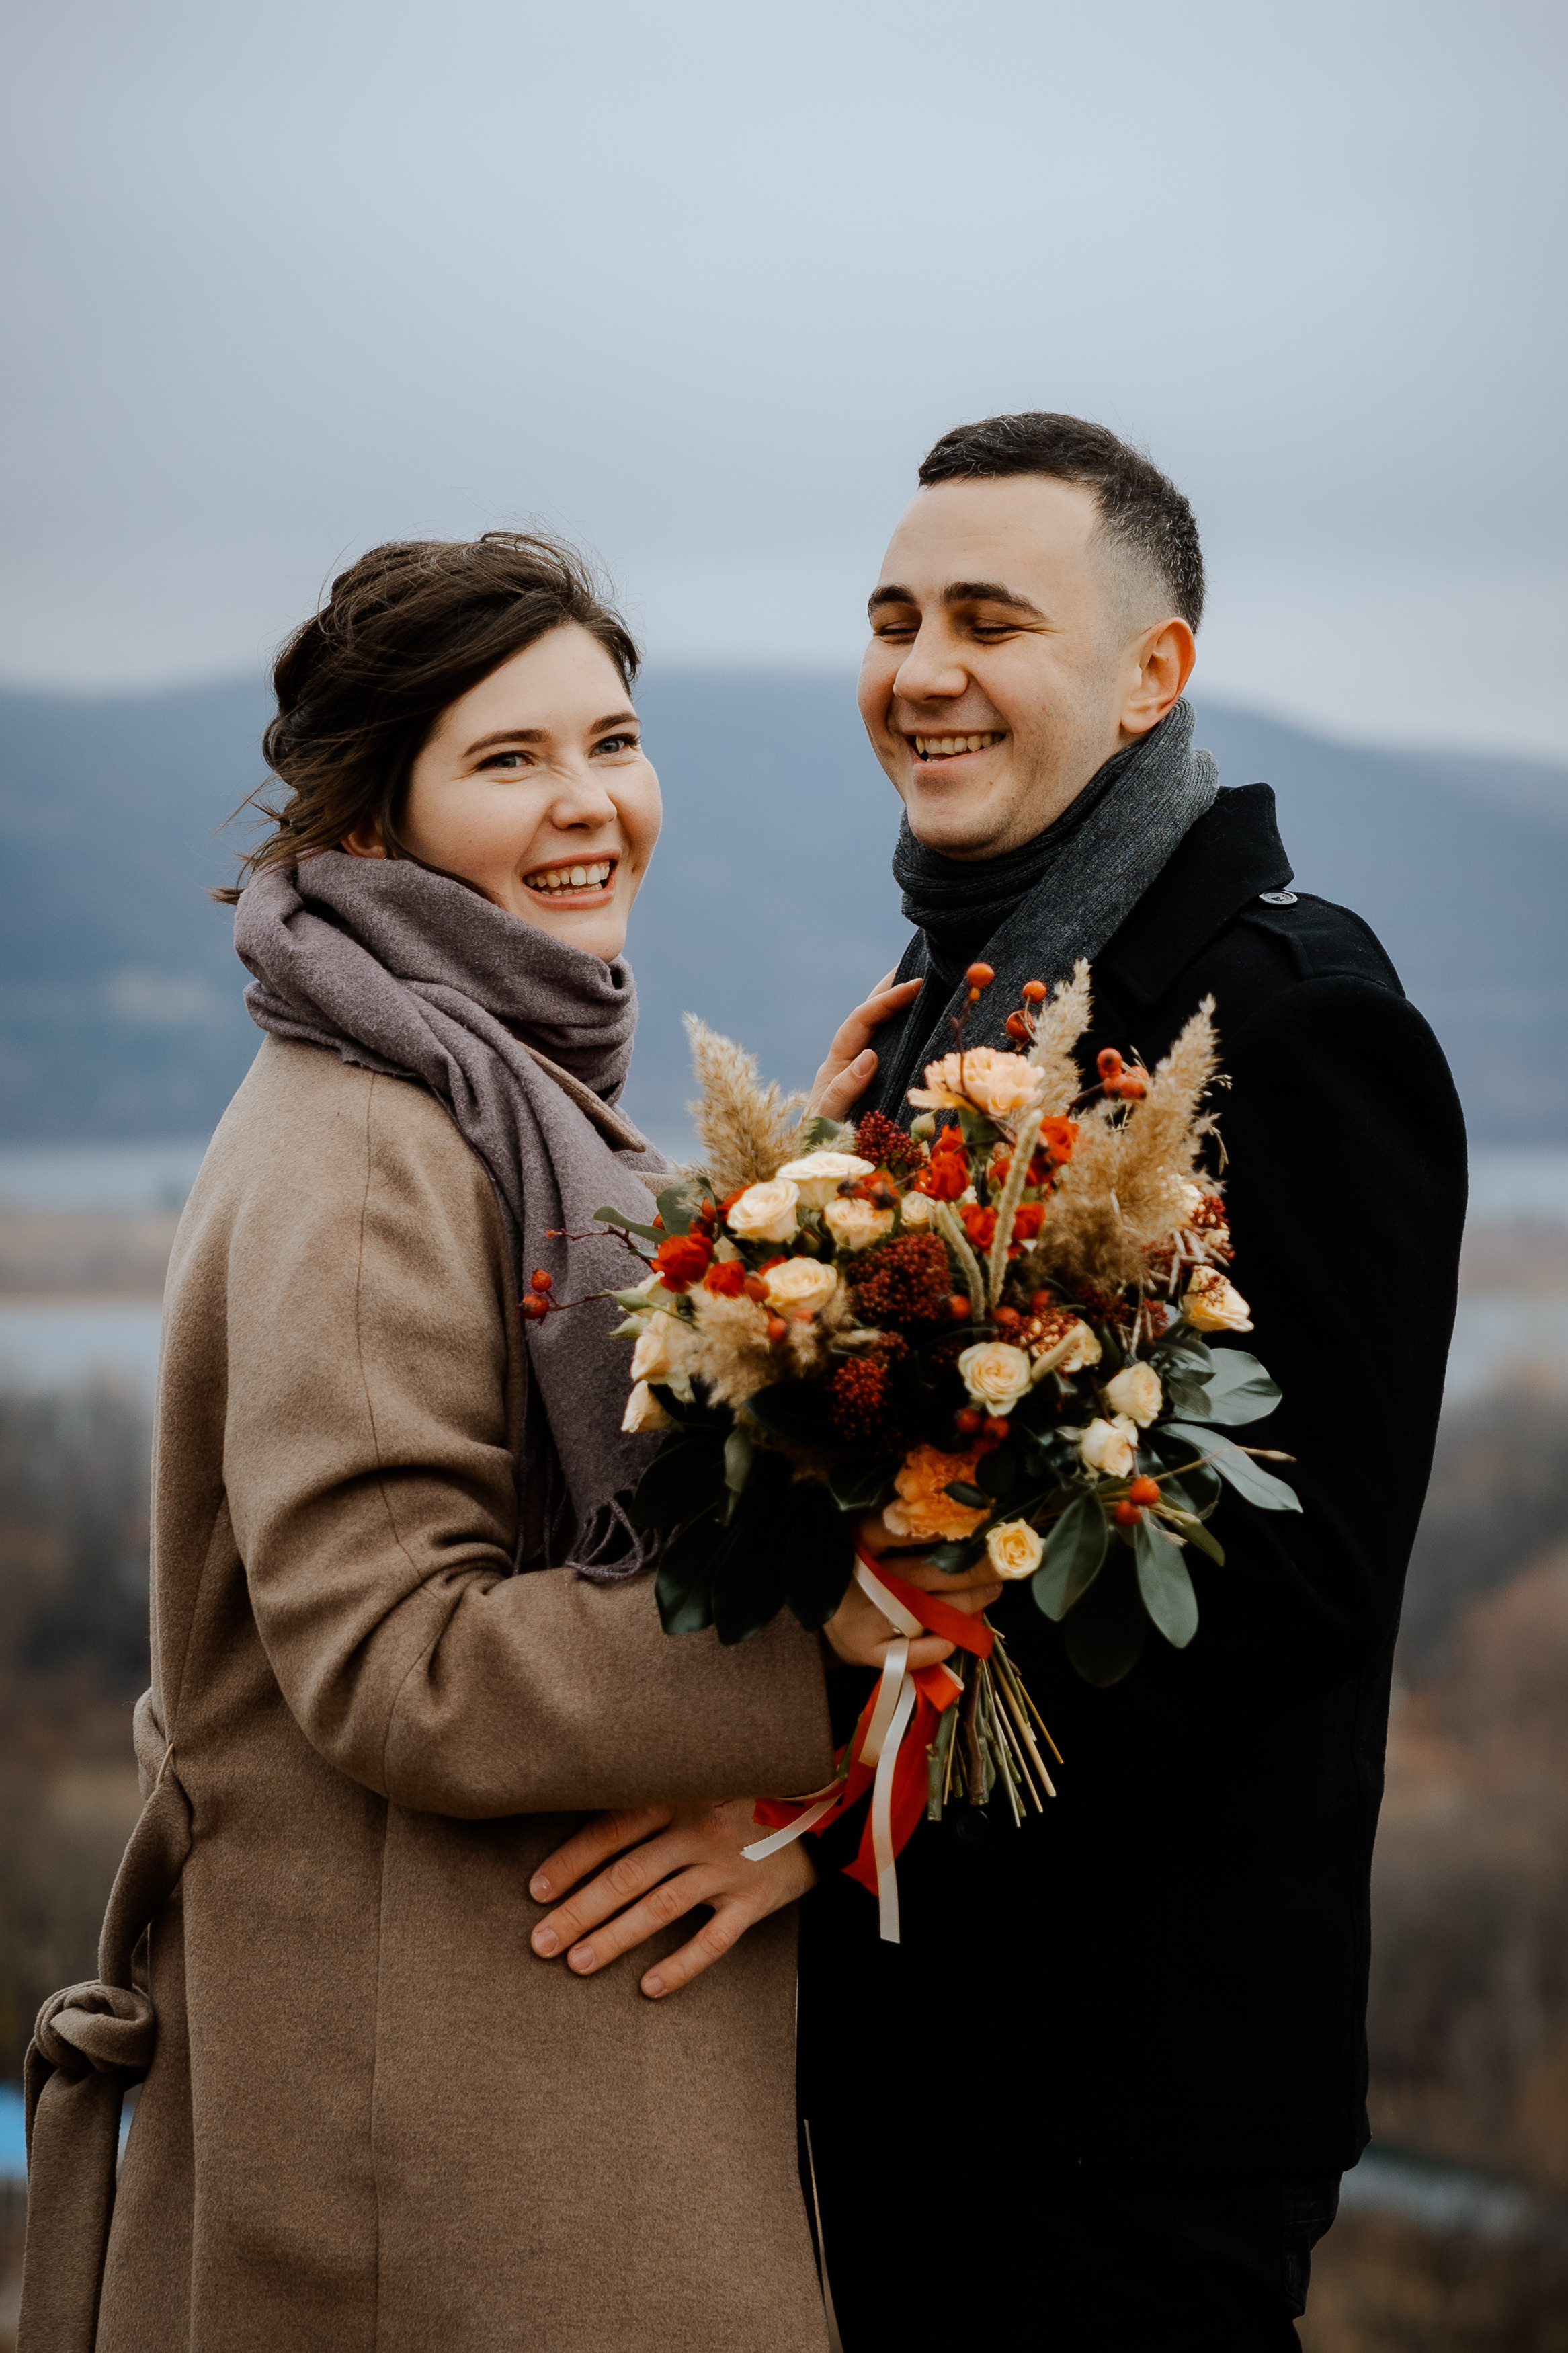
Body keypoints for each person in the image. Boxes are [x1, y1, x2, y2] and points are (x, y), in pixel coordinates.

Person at [540, 417, 1468, 2350]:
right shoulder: (954, 1001)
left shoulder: (1295, 1022)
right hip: (895, 2062)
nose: (921, 669)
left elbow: (1286, 1608)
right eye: (891, 618)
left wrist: (810, 1816)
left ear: (1154, 674)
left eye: (989, 619)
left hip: (1125, 2105)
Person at [19, 530, 985, 2353]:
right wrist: (816, 1632)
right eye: (510, 759)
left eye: (612, 742)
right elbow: (404, 1657)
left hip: (504, 2105)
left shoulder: (474, 1089)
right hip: (451, 2172)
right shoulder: (377, 1135)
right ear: (372, 833)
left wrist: (790, 1215)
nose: (590, 805)